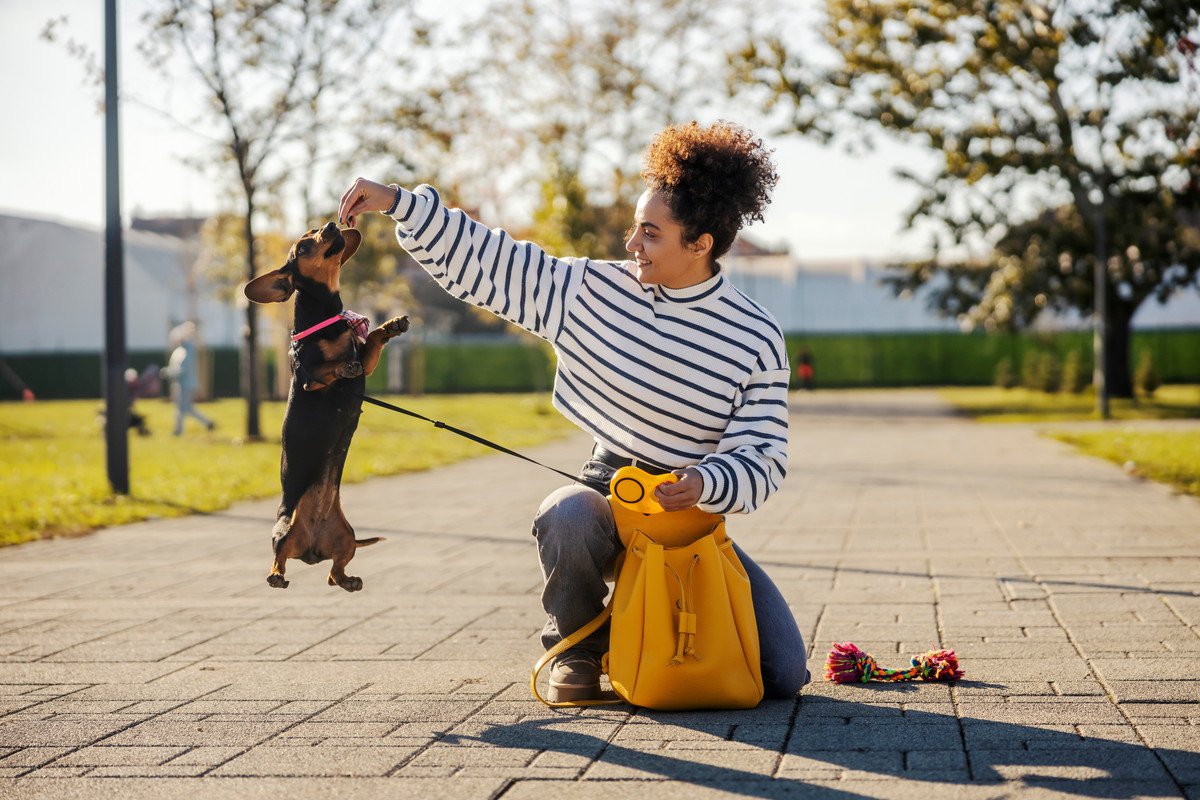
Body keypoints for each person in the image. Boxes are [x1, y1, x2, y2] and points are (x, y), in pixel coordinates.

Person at [339, 120, 809, 702]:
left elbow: (763, 458)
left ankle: (629, 622)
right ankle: (577, 644)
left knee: (784, 675)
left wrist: (706, 482)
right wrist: (401, 204)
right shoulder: (595, 291)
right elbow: (496, 262)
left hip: (689, 522)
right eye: (636, 228)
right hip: (606, 503)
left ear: (701, 243)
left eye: (650, 233)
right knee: (566, 512)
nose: (631, 244)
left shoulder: (755, 335)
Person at [166, 322, 215, 436]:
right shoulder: (179, 351)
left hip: (187, 384)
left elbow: (183, 368)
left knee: (181, 409)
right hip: (180, 383)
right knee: (188, 408)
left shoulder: (189, 350)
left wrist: (171, 373)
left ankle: (179, 431)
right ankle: (208, 423)